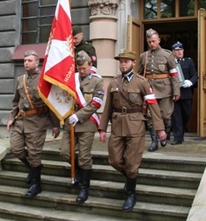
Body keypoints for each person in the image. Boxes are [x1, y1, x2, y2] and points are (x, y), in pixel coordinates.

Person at [99, 50, 166, 212]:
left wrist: (160, 129)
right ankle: (131, 178)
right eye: (121, 61)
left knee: (131, 162)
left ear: (133, 63)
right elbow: (107, 107)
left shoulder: (142, 82)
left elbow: (153, 106)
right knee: (114, 159)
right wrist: (102, 128)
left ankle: (131, 194)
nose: (123, 64)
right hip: (117, 126)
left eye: (126, 61)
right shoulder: (114, 83)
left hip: (136, 126)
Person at [6, 50, 60, 198]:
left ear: (37, 62)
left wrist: (56, 125)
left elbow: (51, 104)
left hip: (38, 122)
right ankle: (34, 169)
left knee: (34, 153)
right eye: (25, 60)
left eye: (29, 60)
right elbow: (16, 101)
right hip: (21, 121)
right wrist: (11, 117)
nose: (26, 63)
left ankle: (36, 185)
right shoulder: (20, 79)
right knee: (15, 149)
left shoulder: (44, 79)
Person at [60, 51, 105, 204]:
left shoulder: (98, 81)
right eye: (79, 68)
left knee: (84, 157)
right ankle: (80, 172)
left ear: (90, 66)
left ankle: (84, 188)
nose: (82, 71)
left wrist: (78, 116)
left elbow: (96, 103)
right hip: (70, 124)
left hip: (87, 124)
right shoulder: (71, 79)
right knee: (65, 152)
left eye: (84, 68)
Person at [138, 28, 180, 152]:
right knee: (151, 117)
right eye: (149, 41)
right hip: (150, 91)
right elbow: (140, 75)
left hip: (165, 90)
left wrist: (176, 91)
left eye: (154, 41)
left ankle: (164, 134)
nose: (152, 44)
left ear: (159, 40)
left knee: (166, 115)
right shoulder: (143, 56)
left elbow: (174, 74)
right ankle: (154, 141)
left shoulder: (168, 55)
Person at [170, 41, 198, 145]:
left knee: (186, 114)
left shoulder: (188, 61)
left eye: (181, 50)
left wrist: (190, 82)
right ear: (173, 52)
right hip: (174, 93)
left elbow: (195, 75)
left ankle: (181, 134)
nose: (179, 52)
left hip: (186, 93)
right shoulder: (170, 63)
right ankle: (178, 138)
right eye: (177, 50)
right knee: (176, 116)